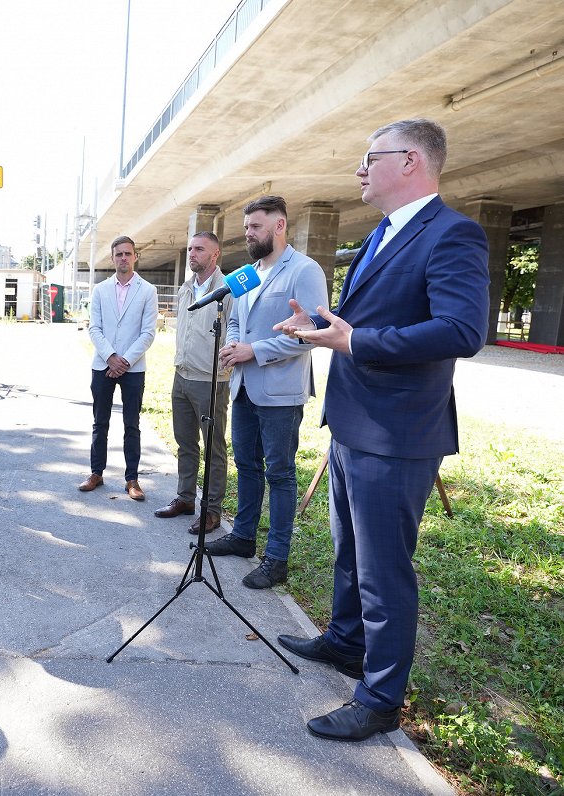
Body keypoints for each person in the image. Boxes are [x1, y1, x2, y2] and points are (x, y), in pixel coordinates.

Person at [274, 119, 488, 741]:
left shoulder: (453, 234)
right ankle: (346, 641)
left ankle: (381, 696)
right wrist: (320, 322)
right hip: (351, 422)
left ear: (412, 162)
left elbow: (461, 330)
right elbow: (366, 317)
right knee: (350, 551)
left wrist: (354, 339)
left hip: (396, 433)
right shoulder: (382, 232)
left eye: (372, 157)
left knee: (384, 569)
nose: (360, 169)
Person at [206, 195, 328, 589]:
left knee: (280, 473)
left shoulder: (305, 270)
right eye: (246, 228)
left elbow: (310, 334)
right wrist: (235, 344)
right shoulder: (248, 273)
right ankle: (243, 537)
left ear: (279, 226)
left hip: (280, 393)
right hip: (243, 387)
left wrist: (253, 351)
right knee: (247, 465)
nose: (248, 234)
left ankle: (276, 559)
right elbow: (238, 319)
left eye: (255, 227)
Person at [154, 232, 231, 533]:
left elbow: (235, 331)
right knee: (185, 443)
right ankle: (185, 498)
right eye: (189, 249)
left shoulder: (228, 290)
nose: (192, 254)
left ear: (215, 255)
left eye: (199, 249)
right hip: (182, 376)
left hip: (211, 380)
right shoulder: (186, 289)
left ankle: (211, 511)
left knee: (213, 448)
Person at [78, 236, 159, 501]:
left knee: (131, 424)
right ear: (112, 258)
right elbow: (94, 327)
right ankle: (96, 473)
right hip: (103, 365)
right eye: (118, 254)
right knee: (100, 422)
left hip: (133, 368)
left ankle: (132, 479)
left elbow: (148, 333)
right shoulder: (100, 290)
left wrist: (124, 361)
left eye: (128, 253)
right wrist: (111, 357)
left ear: (135, 256)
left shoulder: (148, 290)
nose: (123, 258)